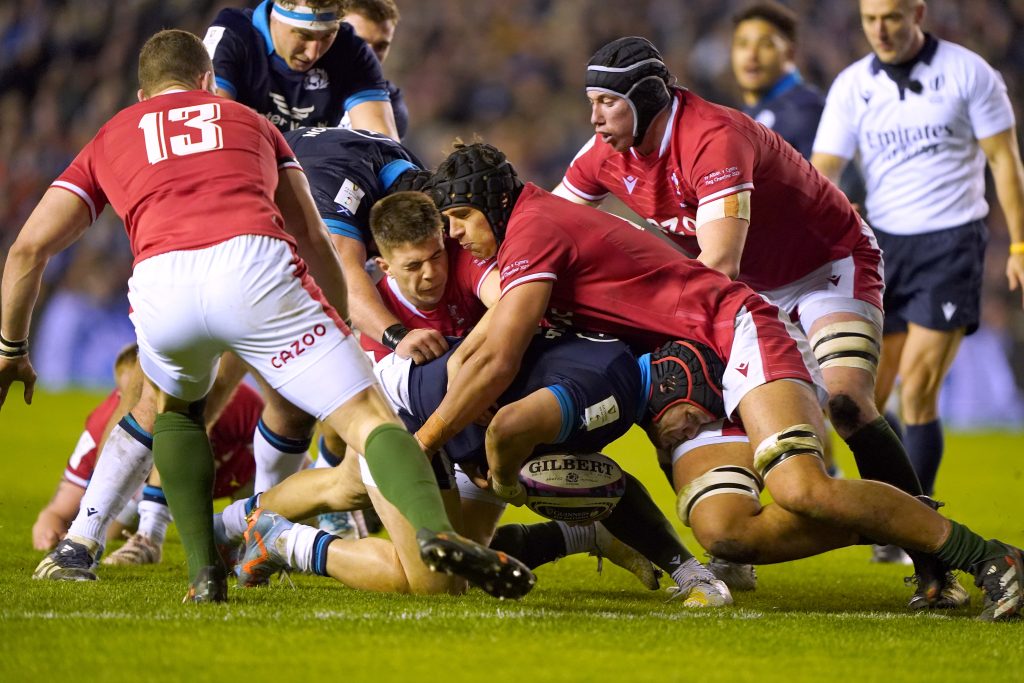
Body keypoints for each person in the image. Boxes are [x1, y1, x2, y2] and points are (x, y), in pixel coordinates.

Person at [0, 30, 532, 603]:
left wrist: (11, 349)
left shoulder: (110, 136)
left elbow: (28, 250)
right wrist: (335, 322)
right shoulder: (251, 123)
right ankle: (431, 532)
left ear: (140, 95)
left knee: (175, 411)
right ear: (208, 82)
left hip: (161, 280)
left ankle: (203, 575)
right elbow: (309, 232)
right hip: (254, 267)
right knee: (370, 418)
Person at [414, 141, 1022, 621]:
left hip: (734, 331)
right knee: (726, 533)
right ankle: (906, 525)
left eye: (461, 218)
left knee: (801, 488)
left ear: (492, 201)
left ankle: (990, 557)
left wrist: (422, 445)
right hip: (691, 365)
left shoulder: (533, 230)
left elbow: (498, 358)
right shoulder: (518, 236)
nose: (458, 235)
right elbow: (487, 348)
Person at [551, 36, 949, 591]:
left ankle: (936, 562)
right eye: (590, 101)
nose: (593, 117)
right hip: (749, 292)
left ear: (644, 98)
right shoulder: (604, 157)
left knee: (847, 402)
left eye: (607, 102)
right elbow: (547, 228)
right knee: (677, 397)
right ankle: (732, 541)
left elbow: (718, 264)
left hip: (826, 266)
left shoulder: (713, 138)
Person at [810, 0, 1024, 501]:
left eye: (891, 18)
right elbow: (822, 172)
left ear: (918, 14)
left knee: (918, 390)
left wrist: (1018, 242)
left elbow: (1004, 160)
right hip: (881, 248)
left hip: (952, 242)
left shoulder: (970, 73)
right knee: (865, 398)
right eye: (870, 19)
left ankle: (918, 525)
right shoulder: (852, 86)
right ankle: (891, 512)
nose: (880, 29)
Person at [32, 344, 266, 568]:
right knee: (111, 527)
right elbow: (58, 511)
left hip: (236, 474)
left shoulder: (240, 404)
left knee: (268, 511)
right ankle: (134, 531)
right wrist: (50, 529)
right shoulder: (103, 427)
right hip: (142, 489)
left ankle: (218, 529)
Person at [203, 0, 398, 137]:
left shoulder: (351, 49)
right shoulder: (233, 34)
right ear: (275, 18)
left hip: (313, 179)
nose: (313, 53)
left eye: (327, 36)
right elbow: (211, 123)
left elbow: (380, 142)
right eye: (304, 35)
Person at [730, 1, 864, 200]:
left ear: (790, 54)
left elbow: (846, 187)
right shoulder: (750, 112)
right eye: (742, 44)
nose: (751, 55)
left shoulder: (804, 110)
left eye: (766, 45)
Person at [339, 0, 409, 139]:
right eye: (359, 42)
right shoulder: (291, 84)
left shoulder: (390, 109)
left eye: (381, 46)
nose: (369, 54)